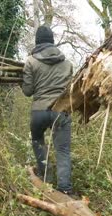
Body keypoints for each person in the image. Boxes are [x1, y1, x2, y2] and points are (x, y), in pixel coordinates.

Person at [22, 26, 74, 195]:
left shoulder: (30, 61)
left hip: (39, 111)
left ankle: (46, 179)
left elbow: (28, 91)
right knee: (63, 149)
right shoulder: (67, 64)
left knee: (38, 141)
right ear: (52, 41)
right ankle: (65, 188)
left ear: (37, 42)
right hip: (61, 110)